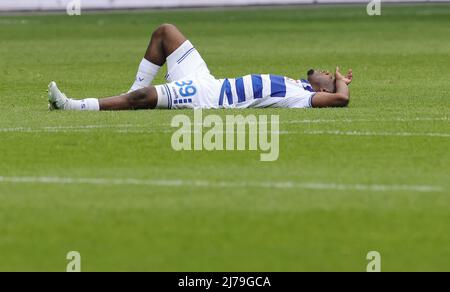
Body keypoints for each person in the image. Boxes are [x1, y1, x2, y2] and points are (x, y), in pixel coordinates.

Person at [48, 24, 353, 111]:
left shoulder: (303, 98)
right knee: (165, 32)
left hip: (207, 97)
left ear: (323, 89)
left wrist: (341, 83)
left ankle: (71, 106)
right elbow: (321, 81)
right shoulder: (301, 84)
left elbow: (341, 99)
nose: (326, 71)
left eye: (329, 75)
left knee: (142, 101)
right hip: (207, 80)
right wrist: (337, 81)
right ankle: (134, 88)